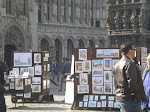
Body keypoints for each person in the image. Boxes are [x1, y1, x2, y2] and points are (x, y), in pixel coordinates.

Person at [113, 42, 146, 112]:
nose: (135, 51)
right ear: (130, 51)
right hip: (130, 99)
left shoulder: (117, 64)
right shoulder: (129, 63)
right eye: (134, 49)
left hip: (120, 98)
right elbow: (132, 83)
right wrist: (137, 97)